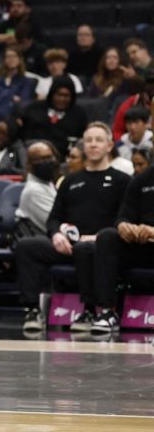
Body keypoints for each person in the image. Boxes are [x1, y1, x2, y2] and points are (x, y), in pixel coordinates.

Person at [14, 123, 129, 334]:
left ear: (109, 145)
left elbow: (124, 218)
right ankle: (32, 310)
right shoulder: (70, 181)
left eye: (99, 140)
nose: (93, 144)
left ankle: (90, 310)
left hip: (101, 246)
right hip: (68, 244)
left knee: (86, 249)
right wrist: (56, 234)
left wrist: (97, 237)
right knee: (26, 246)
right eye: (88, 140)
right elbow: (54, 218)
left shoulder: (122, 181)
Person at [87, 163, 154, 334]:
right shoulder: (143, 178)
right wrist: (124, 225)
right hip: (142, 244)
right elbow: (124, 214)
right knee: (107, 237)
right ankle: (108, 311)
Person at [16, 75, 86, 156]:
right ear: (52, 94)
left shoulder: (79, 115)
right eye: (59, 95)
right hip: (32, 155)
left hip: (64, 159)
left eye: (66, 96)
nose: (62, 99)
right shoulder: (34, 109)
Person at [14, 141, 61, 239]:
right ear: (29, 165)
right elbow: (57, 225)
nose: (47, 162)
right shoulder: (33, 191)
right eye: (40, 159)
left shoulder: (49, 183)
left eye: (49, 157)